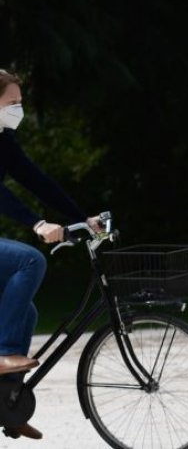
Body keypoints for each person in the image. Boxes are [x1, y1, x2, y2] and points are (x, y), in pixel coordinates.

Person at [0, 69, 99, 441]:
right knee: (30, 260)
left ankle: (6, 406)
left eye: (20, 103)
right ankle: (4, 354)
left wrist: (81, 219)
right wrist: (36, 223)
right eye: (12, 103)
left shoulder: (4, 141)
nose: (18, 110)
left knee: (26, 312)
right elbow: (2, 196)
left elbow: (36, 179)